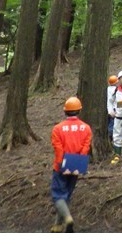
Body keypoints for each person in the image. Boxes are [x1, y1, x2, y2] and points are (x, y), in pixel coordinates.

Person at [50, 96, 92, 233]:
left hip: (61, 165)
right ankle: (58, 225)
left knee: (58, 195)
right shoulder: (86, 128)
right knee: (66, 194)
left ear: (65, 111)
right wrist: (77, 163)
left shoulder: (57, 129)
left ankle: (67, 218)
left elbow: (58, 149)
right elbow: (85, 148)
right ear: (79, 111)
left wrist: (62, 164)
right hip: (77, 164)